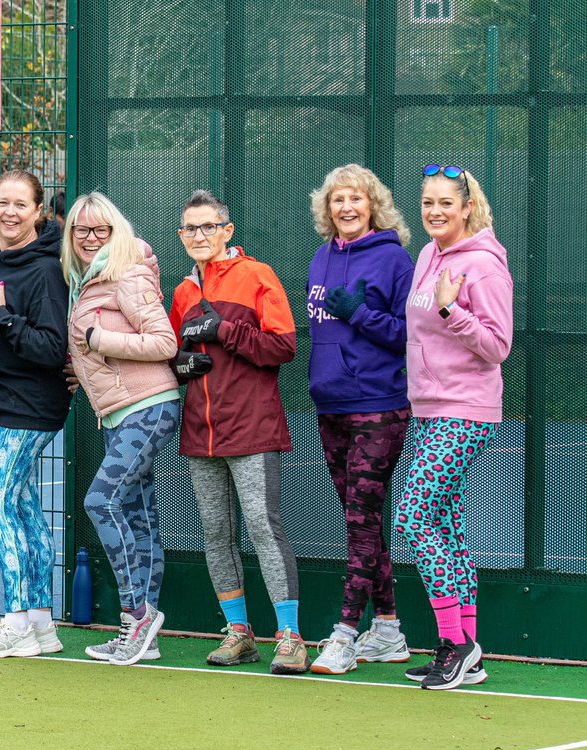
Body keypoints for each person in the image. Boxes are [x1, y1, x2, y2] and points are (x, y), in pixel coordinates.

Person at [169, 189, 307, 674]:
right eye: (190, 228)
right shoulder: (184, 292)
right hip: (201, 433)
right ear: (182, 235)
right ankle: (239, 634)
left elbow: (283, 347)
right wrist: (183, 363)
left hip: (252, 428)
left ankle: (290, 636)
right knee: (215, 532)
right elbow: (175, 359)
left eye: (209, 227)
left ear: (228, 231)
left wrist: (223, 331)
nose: (199, 236)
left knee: (264, 527)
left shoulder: (258, 276)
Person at [396, 165, 512, 691]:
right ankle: (462, 645)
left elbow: (497, 345)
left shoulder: (483, 266)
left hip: (464, 410)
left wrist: (451, 309)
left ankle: (459, 646)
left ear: (467, 207)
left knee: (415, 516)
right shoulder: (428, 255)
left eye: (446, 202)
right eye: (427, 203)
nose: (435, 212)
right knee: (442, 524)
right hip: (428, 409)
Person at [304, 165, 416, 676]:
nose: (346, 207)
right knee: (364, 520)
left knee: (360, 521)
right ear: (327, 209)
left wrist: (360, 313)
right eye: (337, 200)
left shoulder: (394, 259)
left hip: (379, 404)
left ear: (373, 205)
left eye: (357, 199)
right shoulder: (321, 258)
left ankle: (346, 633)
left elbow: (409, 336)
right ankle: (388, 628)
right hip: (332, 405)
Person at [0, 170, 71, 660]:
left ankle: (15, 618)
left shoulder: (44, 271)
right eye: (3, 202)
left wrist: (3, 318)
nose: (10, 212)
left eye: (21, 205)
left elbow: (51, 348)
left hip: (26, 408)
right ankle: (43, 626)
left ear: (39, 212)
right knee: (24, 508)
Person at [64, 192, 181, 666]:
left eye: (100, 230)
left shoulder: (127, 275)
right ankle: (143, 635)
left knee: (101, 501)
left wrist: (98, 341)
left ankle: (137, 615)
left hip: (148, 406)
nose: (90, 238)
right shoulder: (85, 281)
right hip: (119, 410)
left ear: (116, 232)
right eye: (82, 230)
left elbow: (164, 341)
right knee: (137, 517)